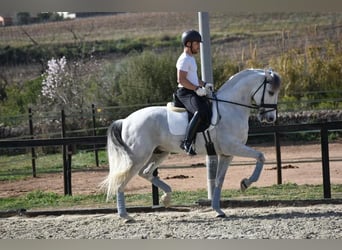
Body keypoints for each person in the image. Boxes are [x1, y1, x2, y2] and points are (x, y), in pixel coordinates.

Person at [175, 30, 213, 155]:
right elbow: (181, 80)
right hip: (185, 92)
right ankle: (186, 142)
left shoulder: (190, 58)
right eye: (197, 44)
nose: (198, 46)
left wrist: (204, 84)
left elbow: (193, 79)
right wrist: (196, 89)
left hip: (191, 90)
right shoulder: (185, 59)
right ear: (189, 44)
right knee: (200, 111)